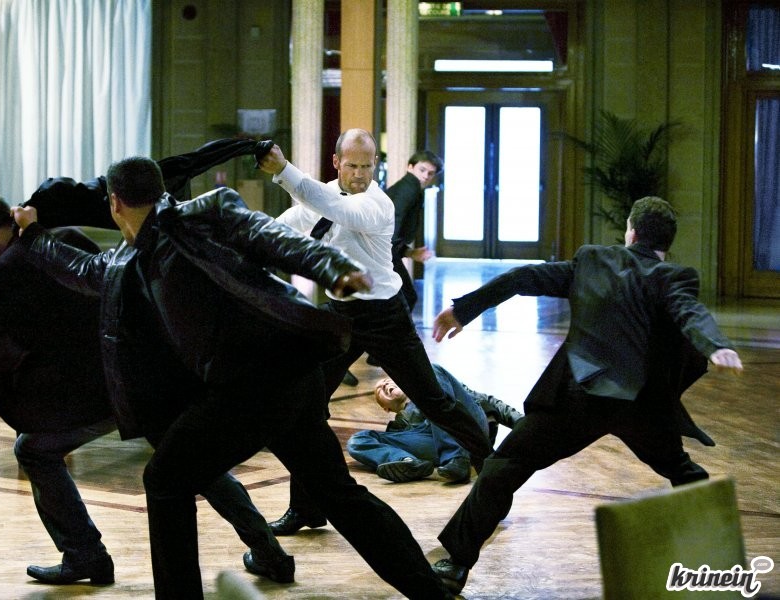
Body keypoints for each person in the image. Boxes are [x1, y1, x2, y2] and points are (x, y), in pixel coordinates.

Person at [11, 156, 455, 599]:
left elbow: (270, 237)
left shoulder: (201, 214)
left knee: (166, 481)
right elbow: (84, 270)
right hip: (284, 378)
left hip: (253, 386)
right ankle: (430, 593)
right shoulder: (129, 259)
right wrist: (32, 236)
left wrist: (332, 267)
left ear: (115, 204)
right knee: (338, 495)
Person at [0, 191, 296, 587]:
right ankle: (269, 552)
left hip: (99, 391)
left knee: (34, 450)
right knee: (194, 463)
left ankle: (85, 555)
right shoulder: (64, 238)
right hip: (139, 372)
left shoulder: (8, 269)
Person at [427, 196, 744, 594]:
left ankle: (456, 564)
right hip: (640, 408)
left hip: (577, 398)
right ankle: (721, 565)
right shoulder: (673, 276)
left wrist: (463, 311)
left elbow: (523, 277)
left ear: (631, 232)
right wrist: (716, 346)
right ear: (668, 242)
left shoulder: (593, 260)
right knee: (684, 473)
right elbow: (689, 311)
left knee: (504, 466)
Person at [259, 129, 491, 537]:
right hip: (340, 315)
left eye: (367, 166)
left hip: (386, 318)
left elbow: (340, 209)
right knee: (305, 405)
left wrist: (284, 171)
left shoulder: (377, 204)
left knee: (434, 401)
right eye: (352, 165)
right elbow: (280, 227)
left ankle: (495, 471)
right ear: (336, 163)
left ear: (375, 167)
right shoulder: (323, 196)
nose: (360, 174)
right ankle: (306, 508)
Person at [348, 363, 523, 484]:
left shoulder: (433, 385)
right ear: (385, 408)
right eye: (379, 389)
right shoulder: (399, 430)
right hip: (429, 443)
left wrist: (523, 424)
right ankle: (408, 462)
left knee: (432, 370)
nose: (385, 384)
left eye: (388, 380)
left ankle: (456, 458)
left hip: (467, 429)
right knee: (357, 441)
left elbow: (488, 401)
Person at [386, 150, 444, 312]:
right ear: (410, 167)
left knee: (402, 298)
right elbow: (394, 223)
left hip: (383, 249)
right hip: (382, 251)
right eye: (422, 170)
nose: (426, 176)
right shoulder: (409, 189)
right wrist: (394, 255)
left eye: (430, 173)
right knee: (407, 297)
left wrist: (409, 252)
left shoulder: (410, 188)